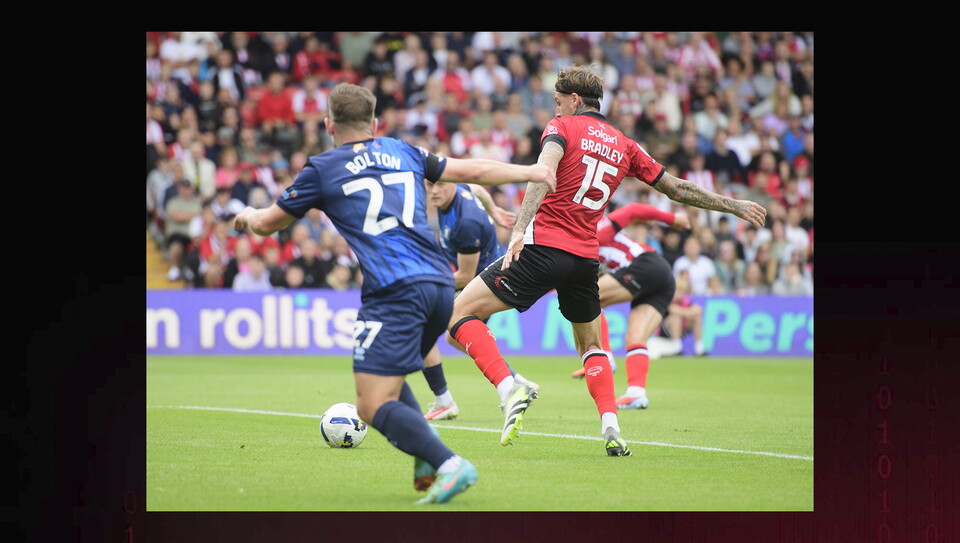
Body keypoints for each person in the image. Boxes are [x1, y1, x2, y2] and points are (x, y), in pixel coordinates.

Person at [232, 82, 555, 504]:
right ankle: (424, 448)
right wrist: (530, 171)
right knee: (392, 376)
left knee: (369, 404)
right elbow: (472, 173)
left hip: (393, 291)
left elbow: (270, 223)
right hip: (441, 286)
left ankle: (447, 462)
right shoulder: (403, 151)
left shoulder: (323, 167)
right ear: (375, 123)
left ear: (329, 124)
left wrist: (248, 216)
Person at [446, 65, 766, 457]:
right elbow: (676, 188)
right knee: (592, 345)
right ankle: (611, 426)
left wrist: (518, 229)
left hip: (543, 246)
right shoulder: (625, 145)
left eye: (559, 102)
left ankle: (509, 386)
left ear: (575, 100)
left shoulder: (562, 127)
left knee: (459, 314)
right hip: (584, 258)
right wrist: (730, 204)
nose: (557, 108)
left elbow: (543, 172)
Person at [420, 180, 538, 421]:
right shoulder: (459, 192)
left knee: (421, 329)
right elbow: (479, 189)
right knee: (454, 338)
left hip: (487, 281)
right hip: (482, 275)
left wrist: (423, 282)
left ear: (451, 183)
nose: (434, 191)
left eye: (440, 184)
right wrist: (494, 212)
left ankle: (445, 401)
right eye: (429, 185)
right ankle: (515, 381)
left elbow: (464, 275)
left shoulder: (466, 222)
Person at [568, 203, 691, 412]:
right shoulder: (574, 248)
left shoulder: (596, 229)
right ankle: (636, 393)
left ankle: (604, 355)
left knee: (586, 296)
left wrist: (671, 219)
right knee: (635, 338)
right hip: (662, 280)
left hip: (645, 264)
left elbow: (633, 210)